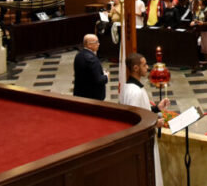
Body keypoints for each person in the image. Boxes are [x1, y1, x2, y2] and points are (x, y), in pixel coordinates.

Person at [119, 52, 170, 186]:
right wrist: (155, 123)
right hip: (142, 143)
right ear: (135, 68)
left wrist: (157, 108)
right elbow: (135, 122)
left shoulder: (129, 87)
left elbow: (143, 111)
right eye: (144, 64)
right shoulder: (134, 92)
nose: (147, 67)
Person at [73, 34, 108, 100]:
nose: (99, 44)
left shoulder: (79, 55)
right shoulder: (91, 59)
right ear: (89, 45)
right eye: (96, 42)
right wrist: (106, 76)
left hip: (80, 93)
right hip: (92, 97)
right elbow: (98, 80)